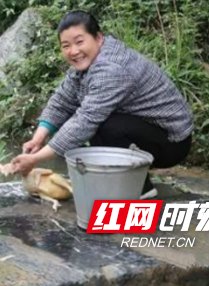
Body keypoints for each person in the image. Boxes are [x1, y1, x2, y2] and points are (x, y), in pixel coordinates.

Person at [11, 10, 193, 199]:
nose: (73, 51)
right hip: (142, 130)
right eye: (66, 45)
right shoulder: (87, 64)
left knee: (101, 126)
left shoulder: (111, 69)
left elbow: (86, 120)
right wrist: (38, 139)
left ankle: (140, 189)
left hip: (171, 143)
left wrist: (35, 159)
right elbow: (62, 101)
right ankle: (122, 179)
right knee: (86, 128)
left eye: (79, 42)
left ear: (98, 38)